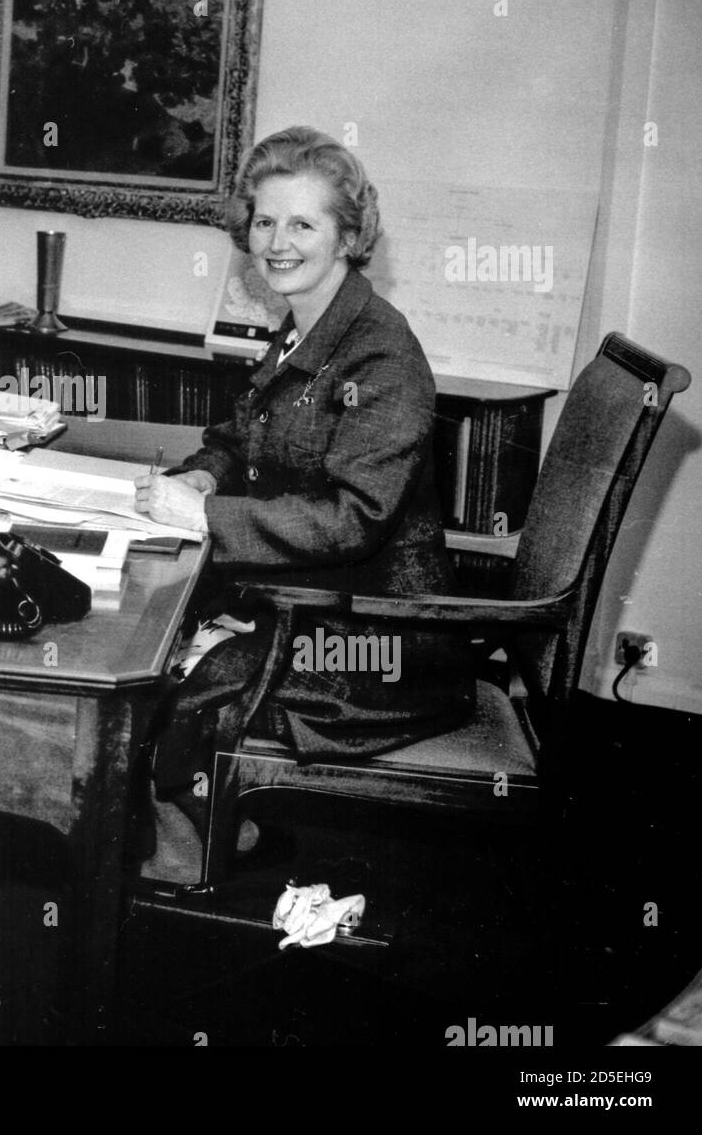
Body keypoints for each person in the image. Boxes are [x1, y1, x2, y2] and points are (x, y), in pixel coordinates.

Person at [132, 126, 475, 881]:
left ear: (350, 237)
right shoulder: (306, 330)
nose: (276, 243)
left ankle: (188, 862)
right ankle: (206, 829)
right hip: (313, 603)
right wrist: (204, 479)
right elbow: (238, 435)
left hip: (382, 643)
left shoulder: (382, 354)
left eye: (302, 224)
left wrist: (204, 520)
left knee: (176, 679)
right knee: (154, 652)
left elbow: (355, 519)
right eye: (264, 221)